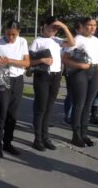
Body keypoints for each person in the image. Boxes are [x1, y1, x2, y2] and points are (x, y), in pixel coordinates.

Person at [0, 20, 30, 158]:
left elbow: (27, 63)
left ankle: (8, 143)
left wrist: (9, 60)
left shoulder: (22, 42)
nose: (11, 37)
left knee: (13, 115)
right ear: (4, 31)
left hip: (18, 80)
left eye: (14, 35)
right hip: (2, 79)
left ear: (18, 33)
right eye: (8, 34)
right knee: (1, 114)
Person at [30, 17, 75, 151]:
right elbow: (29, 61)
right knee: (41, 108)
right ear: (44, 26)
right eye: (51, 27)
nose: (53, 30)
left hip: (56, 76)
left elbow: (72, 43)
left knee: (49, 108)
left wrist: (64, 27)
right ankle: (37, 139)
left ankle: (45, 137)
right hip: (42, 76)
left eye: (56, 29)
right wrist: (42, 60)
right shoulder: (38, 41)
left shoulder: (57, 40)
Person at [63, 17, 98, 147]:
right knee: (79, 104)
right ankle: (76, 135)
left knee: (88, 105)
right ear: (83, 26)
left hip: (94, 72)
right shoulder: (77, 39)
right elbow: (65, 59)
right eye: (89, 25)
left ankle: (84, 133)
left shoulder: (96, 40)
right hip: (80, 73)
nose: (93, 27)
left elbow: (97, 60)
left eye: (94, 25)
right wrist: (79, 66)